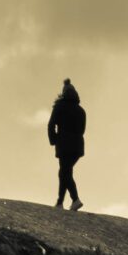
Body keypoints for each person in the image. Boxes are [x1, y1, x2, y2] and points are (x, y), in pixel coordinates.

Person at [48, 78, 86, 210]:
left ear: (63, 93)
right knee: (65, 172)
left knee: (65, 172)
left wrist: (53, 140)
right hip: (77, 147)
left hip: (64, 144)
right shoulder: (81, 111)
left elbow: (51, 124)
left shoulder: (59, 106)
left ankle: (74, 199)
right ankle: (60, 202)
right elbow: (82, 130)